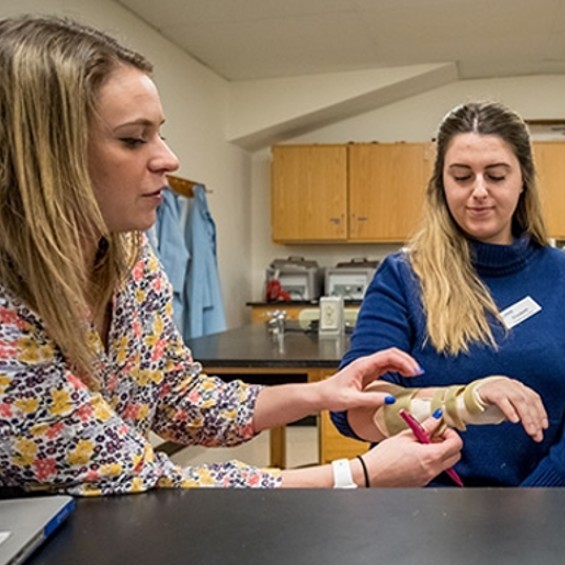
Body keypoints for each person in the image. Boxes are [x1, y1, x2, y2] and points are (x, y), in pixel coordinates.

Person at [0, 15, 462, 496]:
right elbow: (146, 484)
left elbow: (179, 396)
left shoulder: (130, 259)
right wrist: (357, 475)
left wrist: (321, 394)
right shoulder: (8, 321)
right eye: (134, 138)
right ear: (44, 155)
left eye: (159, 133)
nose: (168, 158)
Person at [331, 100, 563, 487]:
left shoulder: (561, 275)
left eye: (496, 175)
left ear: (523, 179)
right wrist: (465, 400)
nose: (479, 191)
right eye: (461, 176)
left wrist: (537, 495)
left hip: (547, 503)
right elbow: (355, 408)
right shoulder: (403, 277)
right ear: (441, 183)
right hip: (426, 505)